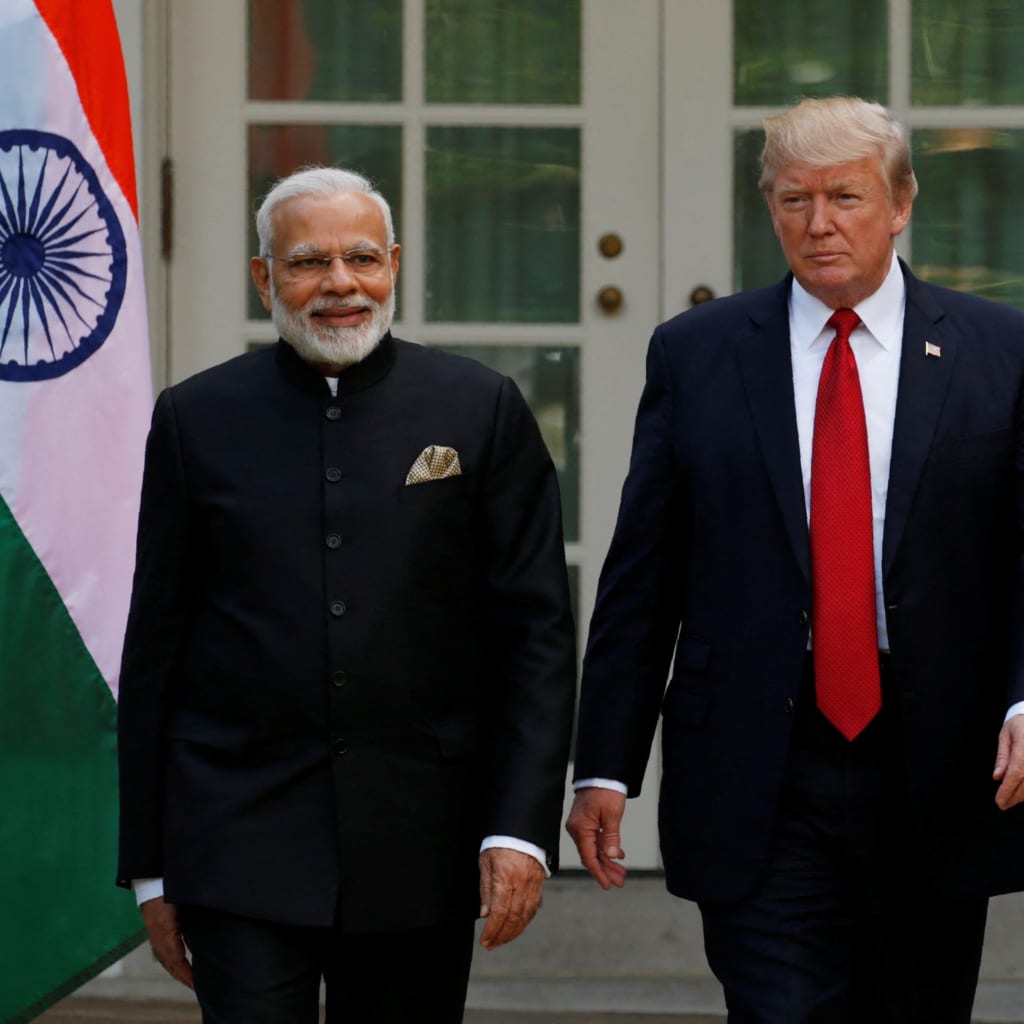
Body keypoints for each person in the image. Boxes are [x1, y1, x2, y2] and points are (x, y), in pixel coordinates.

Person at [566, 96, 1024, 1023]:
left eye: (845, 198)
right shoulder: (696, 354)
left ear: (900, 205)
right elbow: (644, 574)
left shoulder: (999, 349)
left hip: (936, 758)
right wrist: (604, 764)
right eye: (793, 200)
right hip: (759, 764)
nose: (819, 225)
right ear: (769, 209)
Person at [116, 166, 576, 1024]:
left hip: (423, 836)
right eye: (308, 262)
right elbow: (154, 650)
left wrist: (518, 827)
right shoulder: (195, 418)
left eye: (362, 258)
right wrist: (150, 866)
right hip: (237, 836)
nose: (340, 284)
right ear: (265, 279)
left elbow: (536, 636)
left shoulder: (480, 407)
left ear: (393, 264)